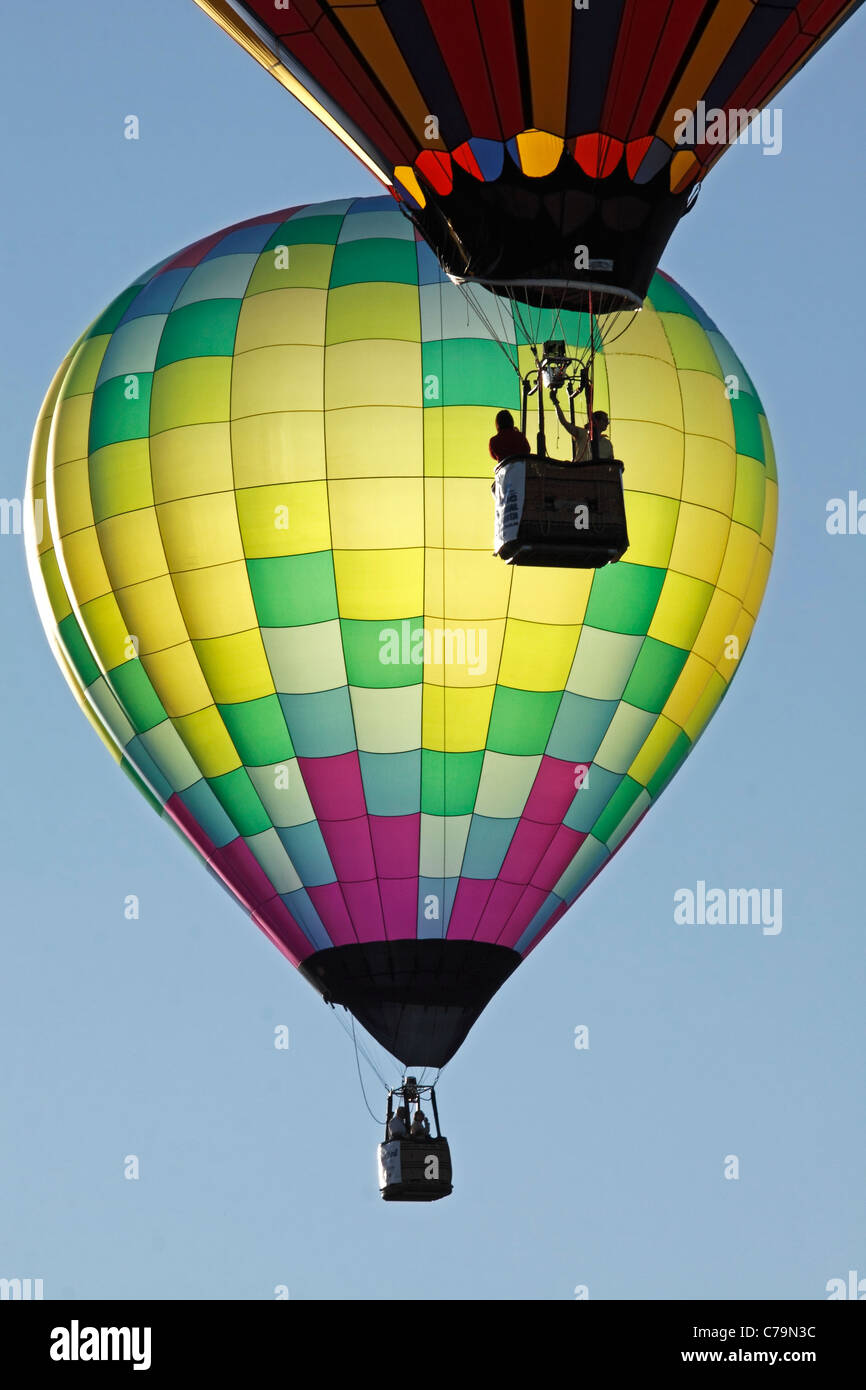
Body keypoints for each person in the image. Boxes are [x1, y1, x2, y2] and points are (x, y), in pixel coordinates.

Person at [490, 410, 532, 559]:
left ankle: (504, 523)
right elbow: (527, 450)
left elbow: (494, 455)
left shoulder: (494, 441)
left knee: (495, 491)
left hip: (506, 479)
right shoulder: (519, 437)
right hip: (523, 476)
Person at [550, 392, 613, 463]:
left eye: (607, 421)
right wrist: (555, 402)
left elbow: (611, 464)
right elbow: (564, 422)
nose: (607, 423)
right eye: (605, 420)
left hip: (599, 473)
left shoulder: (608, 443)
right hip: (580, 472)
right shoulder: (583, 433)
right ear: (595, 421)